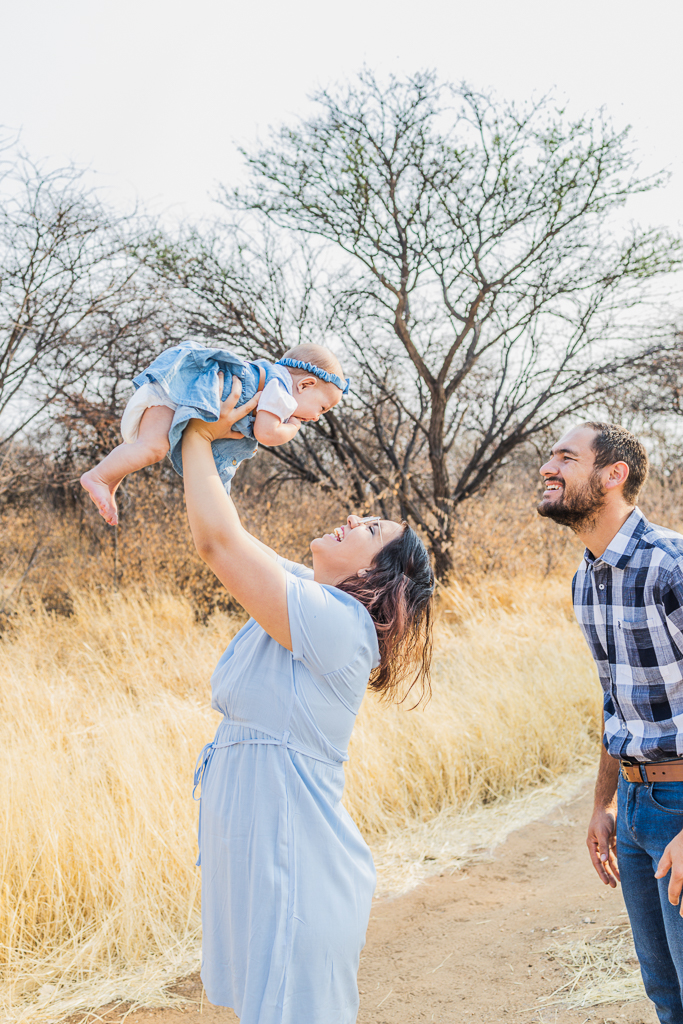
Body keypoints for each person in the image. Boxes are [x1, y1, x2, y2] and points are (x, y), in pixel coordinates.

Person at [183, 376, 435, 1024]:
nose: (352, 517)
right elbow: (224, 531)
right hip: (266, 853)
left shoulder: (339, 624)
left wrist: (192, 430)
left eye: (370, 527)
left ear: (376, 573)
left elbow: (217, 543)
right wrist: (225, 440)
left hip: (295, 863)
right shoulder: (310, 595)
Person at [538, 421, 683, 1024]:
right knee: (665, 996)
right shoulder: (586, 577)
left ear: (613, 474)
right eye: (549, 457)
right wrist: (604, 802)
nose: (548, 467)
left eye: (566, 458)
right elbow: (617, 699)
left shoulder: (671, 565)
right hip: (635, 804)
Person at [80, 341, 348, 526]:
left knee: (151, 448)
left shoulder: (274, 380)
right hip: (182, 394)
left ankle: (108, 478)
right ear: (306, 384)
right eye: (322, 408)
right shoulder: (281, 390)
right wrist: (290, 428)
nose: (315, 417)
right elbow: (266, 433)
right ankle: (98, 476)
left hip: (180, 391)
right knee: (153, 449)